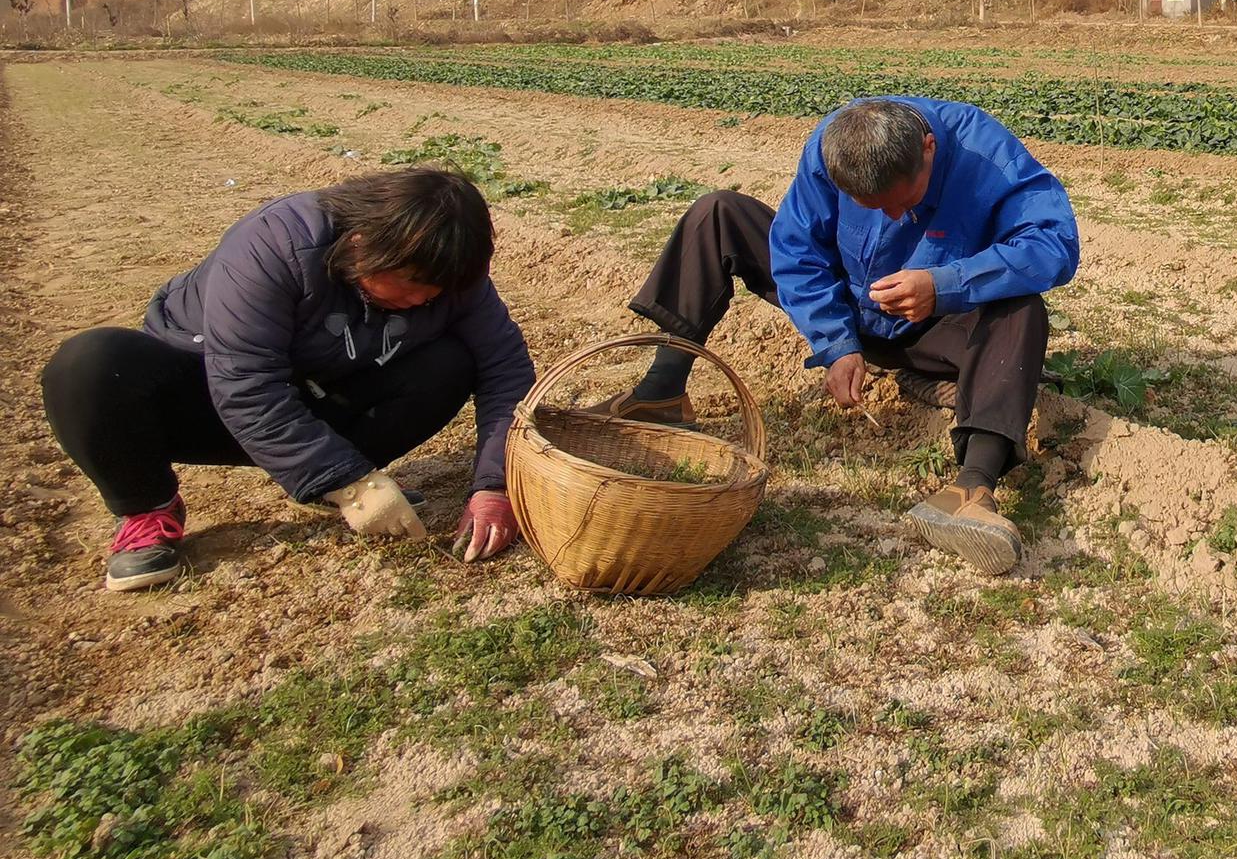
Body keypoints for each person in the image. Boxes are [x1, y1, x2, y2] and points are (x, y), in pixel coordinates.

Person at [598, 97, 1079, 576]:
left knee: (1023, 307)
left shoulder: (985, 153)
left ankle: (971, 489)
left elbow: (1055, 244)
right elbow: (796, 247)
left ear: (929, 149)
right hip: (852, 307)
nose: (892, 218)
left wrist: (945, 284)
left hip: (936, 324)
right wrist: (837, 343)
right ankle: (659, 393)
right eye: (873, 208)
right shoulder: (834, 146)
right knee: (718, 212)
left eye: (905, 203)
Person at [40, 168, 537, 592]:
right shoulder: (274, 246)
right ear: (362, 247)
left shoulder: (446, 269)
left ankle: (336, 472)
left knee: (453, 360)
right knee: (92, 364)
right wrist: (353, 488)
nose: (423, 301)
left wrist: (495, 485)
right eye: (411, 286)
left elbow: (506, 368)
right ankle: (148, 508)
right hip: (210, 395)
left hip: (325, 389)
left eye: (438, 292)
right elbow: (245, 385)